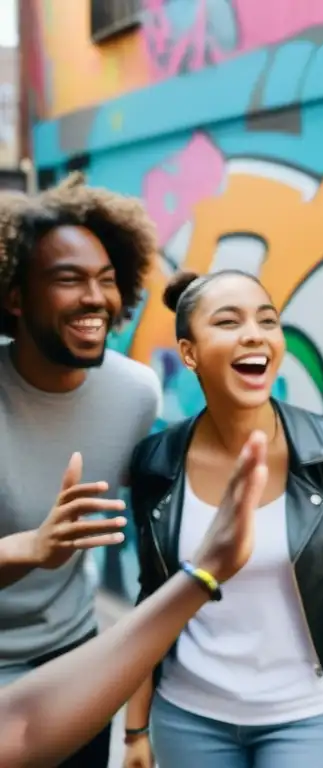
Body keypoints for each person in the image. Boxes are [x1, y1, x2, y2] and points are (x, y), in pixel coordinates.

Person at [122, 270, 323, 768]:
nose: (255, 334)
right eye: (228, 322)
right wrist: (135, 726)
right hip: (188, 714)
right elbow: (153, 595)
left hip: (312, 714)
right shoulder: (156, 463)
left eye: (267, 320)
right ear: (189, 353)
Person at [0, 173, 162, 766]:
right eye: (69, 279)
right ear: (15, 297)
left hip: (73, 660)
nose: (95, 298)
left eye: (107, 280)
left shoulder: (137, 395)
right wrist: (30, 548)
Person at [0, 428, 269, 767]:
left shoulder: (136, 397)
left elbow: (24, 728)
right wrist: (202, 575)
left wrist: (22, 550)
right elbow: (22, 729)